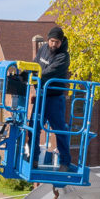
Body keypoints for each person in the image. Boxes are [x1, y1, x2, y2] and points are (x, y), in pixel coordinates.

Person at [34, 26, 72, 171]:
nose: (53, 45)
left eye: (57, 42)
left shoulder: (63, 56)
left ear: (61, 42)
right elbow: (36, 63)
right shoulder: (43, 49)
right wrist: (26, 73)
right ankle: (34, 158)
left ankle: (65, 162)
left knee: (60, 130)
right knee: (34, 127)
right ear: (48, 39)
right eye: (51, 41)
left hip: (55, 98)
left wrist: (35, 76)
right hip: (41, 96)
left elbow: (49, 73)